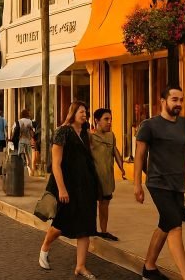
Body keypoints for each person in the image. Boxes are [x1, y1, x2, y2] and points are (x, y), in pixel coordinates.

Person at [134, 86, 185, 280]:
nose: (179, 103)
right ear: (163, 101)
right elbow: (139, 156)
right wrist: (137, 184)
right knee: (174, 226)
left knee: (165, 224)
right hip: (157, 183)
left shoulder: (183, 124)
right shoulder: (149, 125)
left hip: (177, 184)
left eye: (181, 100)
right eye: (174, 100)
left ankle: (149, 267)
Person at [39, 101, 99, 279]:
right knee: (60, 224)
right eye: (81, 111)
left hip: (86, 186)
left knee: (86, 227)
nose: (84, 114)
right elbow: (56, 165)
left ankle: (80, 266)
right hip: (67, 185)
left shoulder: (86, 134)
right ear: (72, 113)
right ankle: (45, 248)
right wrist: (62, 189)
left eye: (85, 112)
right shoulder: (62, 131)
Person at [90, 107, 125, 242]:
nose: (109, 122)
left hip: (107, 178)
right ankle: (91, 230)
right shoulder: (91, 137)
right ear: (97, 121)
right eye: (106, 119)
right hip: (94, 179)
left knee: (105, 205)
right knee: (93, 206)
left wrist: (121, 167)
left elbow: (115, 151)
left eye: (110, 119)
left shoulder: (111, 136)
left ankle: (103, 231)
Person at [17, 108, 34, 176]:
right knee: (28, 155)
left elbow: (16, 130)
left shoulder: (19, 121)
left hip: (21, 140)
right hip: (27, 140)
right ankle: (30, 170)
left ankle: (21, 165)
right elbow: (31, 131)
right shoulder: (30, 121)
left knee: (20, 153)